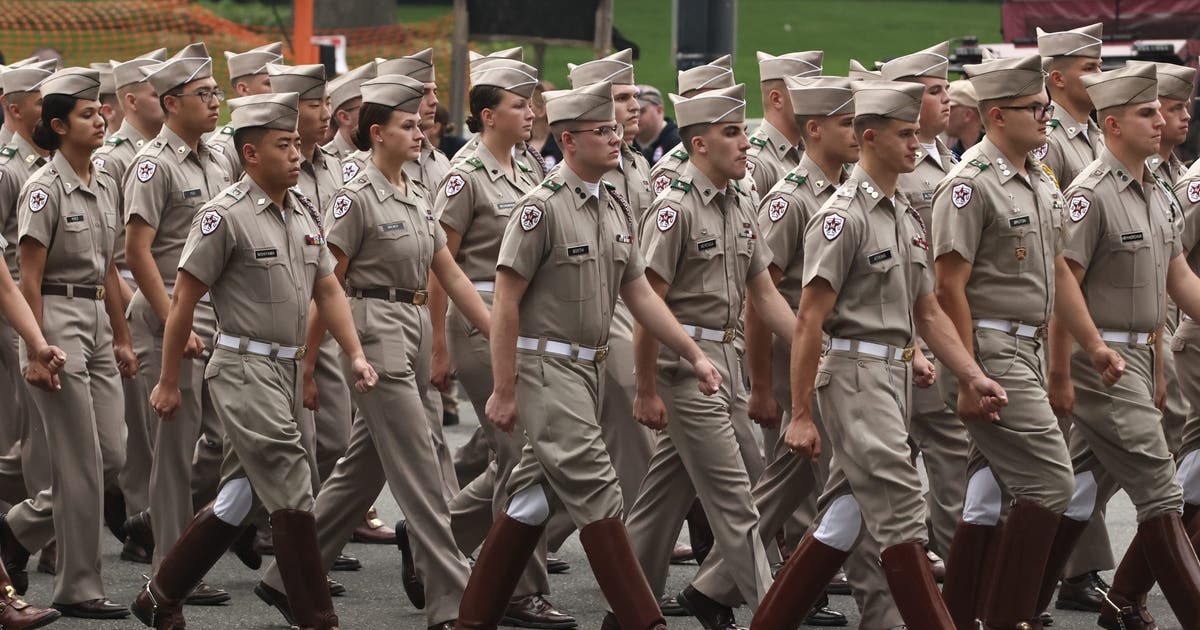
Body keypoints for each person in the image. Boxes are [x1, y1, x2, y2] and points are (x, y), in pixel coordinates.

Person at [457, 79, 719, 630]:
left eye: (615, 129)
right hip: (546, 368)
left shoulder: (612, 203)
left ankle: (473, 617)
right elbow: (505, 301)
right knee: (599, 491)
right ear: (569, 140)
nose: (616, 137)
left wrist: (691, 352)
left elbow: (640, 292)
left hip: (590, 367)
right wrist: (504, 389)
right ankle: (641, 621)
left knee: (532, 496)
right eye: (602, 131)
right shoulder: (541, 208)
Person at [752, 79, 1009, 630]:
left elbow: (929, 313)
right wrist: (799, 413)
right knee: (901, 511)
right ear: (871, 138)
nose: (917, 144)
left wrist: (969, 373)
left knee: (844, 516)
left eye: (917, 132)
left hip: (892, 376)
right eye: (904, 134)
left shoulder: (903, 214)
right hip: (853, 375)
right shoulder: (841, 216)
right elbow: (807, 320)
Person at [130, 90, 378, 630]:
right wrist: (169, 380)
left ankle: (161, 593)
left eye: (296, 144)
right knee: (292, 477)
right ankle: (313, 612)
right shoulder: (223, 217)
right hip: (243, 366)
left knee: (240, 497)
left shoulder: (302, 212)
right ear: (249, 154)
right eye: (282, 145)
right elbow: (183, 304)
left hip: (286, 369)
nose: (295, 155)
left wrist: (354, 353)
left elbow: (329, 289)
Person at [253, 73, 486, 630]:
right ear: (377, 133)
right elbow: (327, 284)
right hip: (371, 327)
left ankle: (285, 577)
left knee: (361, 473)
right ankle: (450, 602)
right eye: (408, 125)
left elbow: (448, 273)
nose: (420, 131)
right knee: (421, 470)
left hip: (410, 323)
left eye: (420, 123)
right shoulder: (355, 196)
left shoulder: (413, 189)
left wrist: (494, 335)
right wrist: (308, 365)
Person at [689, 74, 900, 630]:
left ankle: (716, 585)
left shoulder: (848, 191)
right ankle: (881, 606)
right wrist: (761, 384)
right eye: (847, 123)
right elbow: (761, 299)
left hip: (831, 358)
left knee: (797, 481)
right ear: (814, 129)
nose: (858, 132)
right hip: (797, 362)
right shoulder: (791, 201)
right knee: (856, 483)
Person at [621, 82, 798, 616]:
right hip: (684, 369)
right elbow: (648, 308)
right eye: (732, 133)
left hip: (724, 364)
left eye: (743, 130)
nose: (746, 142)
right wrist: (647, 388)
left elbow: (764, 292)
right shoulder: (673, 209)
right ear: (699, 145)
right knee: (738, 502)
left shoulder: (741, 198)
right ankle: (772, 614)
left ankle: (628, 609)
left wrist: (816, 349)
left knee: (659, 504)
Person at [1041, 62, 1200, 630]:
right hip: (1098, 360)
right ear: (1112, 124)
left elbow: (1178, 280)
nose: (1162, 121)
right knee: (1161, 489)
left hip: (1140, 355)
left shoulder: (1156, 189)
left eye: (1160, 110)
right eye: (1146, 113)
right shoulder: (1088, 196)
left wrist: (1156, 366)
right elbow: (1065, 289)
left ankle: (1017, 607)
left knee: (1080, 485)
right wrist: (1061, 372)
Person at [929, 54, 1083, 630]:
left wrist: (1083, 349)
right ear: (997, 114)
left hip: (1030, 348)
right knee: (1050, 481)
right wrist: (969, 373)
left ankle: (963, 615)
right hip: (992, 351)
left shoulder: (1039, 178)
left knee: (988, 492)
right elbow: (948, 288)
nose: (1047, 117)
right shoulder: (970, 185)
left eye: (1046, 106)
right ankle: (1008, 618)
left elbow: (1060, 273)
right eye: (1034, 109)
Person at [432, 59, 575, 629]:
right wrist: (438, 348)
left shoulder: (529, 164)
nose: (532, 113)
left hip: (523, 321)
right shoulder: (464, 174)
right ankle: (517, 589)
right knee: (521, 456)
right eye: (521, 105)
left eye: (532, 104)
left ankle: (440, 539)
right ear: (488, 115)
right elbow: (437, 262)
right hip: (477, 320)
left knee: (522, 456)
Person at [5, 66, 137, 619]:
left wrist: (125, 335)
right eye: (88, 114)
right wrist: (35, 348)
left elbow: (108, 267)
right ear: (58, 125)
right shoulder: (43, 188)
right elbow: (27, 277)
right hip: (54, 320)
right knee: (80, 463)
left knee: (112, 452)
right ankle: (79, 585)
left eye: (100, 110)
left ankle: (14, 533)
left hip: (98, 321)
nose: (102, 117)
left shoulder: (105, 181)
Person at [120, 43, 236, 603]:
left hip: (220, 313)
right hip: (169, 308)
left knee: (228, 437)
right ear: (170, 103)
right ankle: (171, 567)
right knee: (174, 451)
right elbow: (137, 251)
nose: (216, 102)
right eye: (204, 94)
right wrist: (174, 323)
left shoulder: (219, 157)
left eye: (216, 92)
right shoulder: (153, 163)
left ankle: (163, 526)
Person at [1035, 23, 1114, 612]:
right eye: (1090, 67)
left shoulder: (1091, 134)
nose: (1100, 76)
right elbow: (1056, 242)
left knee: (1081, 449)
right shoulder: (1050, 141)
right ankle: (1047, 572)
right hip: (1052, 314)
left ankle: (1066, 569)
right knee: (1061, 450)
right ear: (1057, 77)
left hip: (1085, 313)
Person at [882, 40, 967, 572]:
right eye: (933, 91)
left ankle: (920, 556)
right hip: (909, 332)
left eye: (945, 89)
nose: (947, 99)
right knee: (949, 448)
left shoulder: (945, 161)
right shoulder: (896, 170)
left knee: (870, 476)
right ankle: (958, 569)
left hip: (933, 331)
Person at [89, 48, 168, 565]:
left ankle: (141, 508)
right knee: (138, 432)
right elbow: (113, 253)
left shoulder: (172, 153)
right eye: (158, 90)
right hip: (130, 295)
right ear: (131, 97)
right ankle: (142, 519)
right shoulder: (115, 157)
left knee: (157, 429)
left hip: (168, 296)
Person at [745, 50, 821, 194]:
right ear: (776, 99)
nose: (816, 104)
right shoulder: (756, 162)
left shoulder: (810, 151)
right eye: (807, 94)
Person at [207, 42, 282, 176]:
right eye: (269, 83)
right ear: (243, 89)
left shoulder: (287, 137)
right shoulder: (225, 147)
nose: (279, 90)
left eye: (281, 83)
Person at [323, 61, 377, 163]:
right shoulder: (325, 160)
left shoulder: (382, 150)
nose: (376, 113)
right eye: (367, 108)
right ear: (344, 117)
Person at [632, 85, 678, 165]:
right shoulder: (625, 143)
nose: (635, 116)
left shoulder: (677, 142)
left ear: (659, 110)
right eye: (632, 111)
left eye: (641, 111)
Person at [946, 80, 982, 157]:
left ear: (967, 114)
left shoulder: (995, 150)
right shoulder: (953, 154)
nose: (945, 113)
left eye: (950, 109)